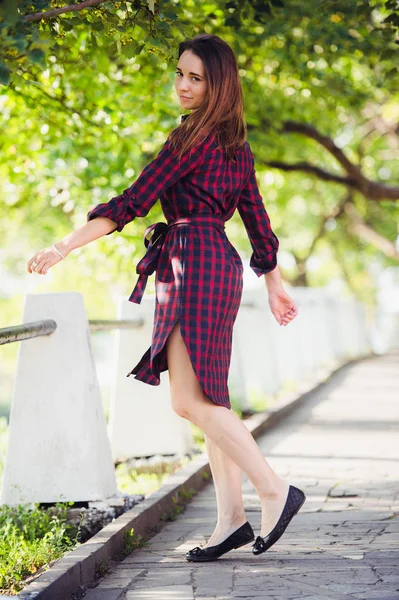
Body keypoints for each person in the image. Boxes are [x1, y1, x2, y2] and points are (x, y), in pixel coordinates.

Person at [27, 33, 305, 562]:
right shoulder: (235, 145)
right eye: (180, 73)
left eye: (195, 77)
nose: (182, 85)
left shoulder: (190, 139)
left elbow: (133, 201)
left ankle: (273, 489)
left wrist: (65, 245)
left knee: (187, 401)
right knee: (209, 401)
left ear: (218, 84)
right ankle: (231, 519)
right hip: (217, 262)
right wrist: (272, 282)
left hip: (192, 262)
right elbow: (258, 221)